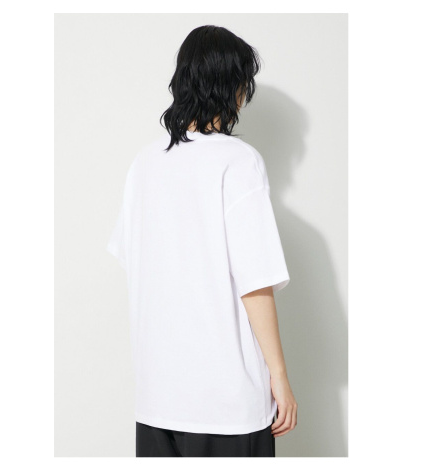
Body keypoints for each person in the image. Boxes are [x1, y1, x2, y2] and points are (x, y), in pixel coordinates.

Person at [107, 25, 298, 457]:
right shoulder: (238, 161)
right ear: (232, 86)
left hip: (157, 399)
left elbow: (136, 262)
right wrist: (280, 376)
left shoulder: (145, 163)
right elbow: (255, 281)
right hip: (226, 403)